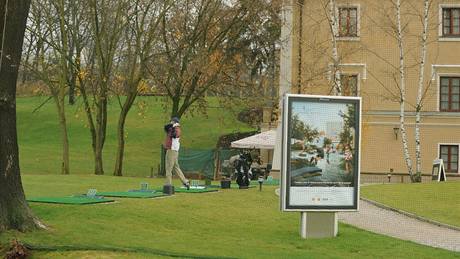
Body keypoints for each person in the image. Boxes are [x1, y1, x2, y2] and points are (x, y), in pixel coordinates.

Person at [163, 117, 190, 189]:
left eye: (171, 121)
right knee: (176, 167)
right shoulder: (173, 128)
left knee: (169, 168)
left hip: (172, 150)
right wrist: (170, 128)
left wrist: (172, 130)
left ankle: (168, 184)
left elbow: (175, 135)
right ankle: (185, 182)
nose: (170, 122)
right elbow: (165, 128)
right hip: (174, 150)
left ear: (174, 122)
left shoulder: (176, 128)